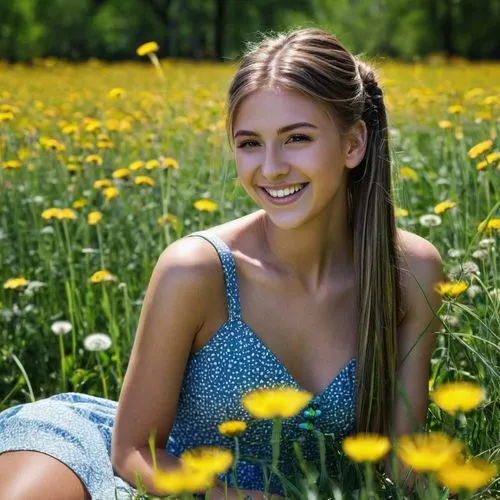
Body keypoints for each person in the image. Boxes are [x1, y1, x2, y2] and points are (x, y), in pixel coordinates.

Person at [0, 27, 444, 499]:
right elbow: (132, 452)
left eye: (296, 138)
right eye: (250, 143)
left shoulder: (408, 273)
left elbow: (403, 464)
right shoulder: (196, 269)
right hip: (133, 475)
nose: (270, 168)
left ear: (353, 144)